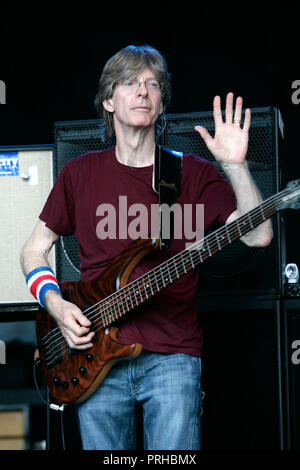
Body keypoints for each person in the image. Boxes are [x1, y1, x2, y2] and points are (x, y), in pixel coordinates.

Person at [20, 44, 273, 450]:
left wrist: (236, 165)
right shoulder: (78, 174)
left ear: (161, 103)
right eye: (130, 83)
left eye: (152, 84)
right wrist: (55, 304)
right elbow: (33, 251)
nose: (142, 91)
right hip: (93, 359)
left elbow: (257, 235)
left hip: (172, 356)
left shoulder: (192, 174)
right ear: (108, 100)